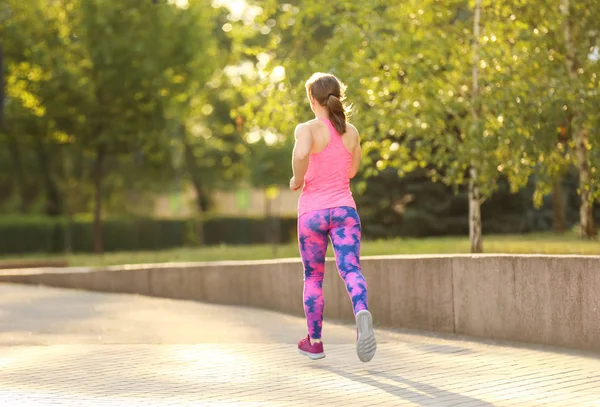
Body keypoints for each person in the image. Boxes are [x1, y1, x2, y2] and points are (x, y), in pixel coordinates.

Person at [289, 72, 376, 363]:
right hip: (344, 211)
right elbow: (352, 171)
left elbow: (301, 154)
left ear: (312, 99)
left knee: (313, 276)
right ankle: (361, 310)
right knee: (350, 268)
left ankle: (315, 343)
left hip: (312, 213)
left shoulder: (307, 129)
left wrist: (296, 178)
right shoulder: (350, 131)